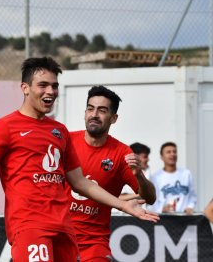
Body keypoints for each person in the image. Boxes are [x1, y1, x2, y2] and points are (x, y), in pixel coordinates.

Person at [0, 57, 159, 262]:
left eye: (54, 86)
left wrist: (124, 205)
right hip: (30, 226)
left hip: (64, 228)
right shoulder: (5, 126)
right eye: (43, 85)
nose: (51, 91)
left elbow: (81, 183)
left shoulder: (59, 131)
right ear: (25, 88)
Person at [66, 85, 157, 262]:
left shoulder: (122, 153)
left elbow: (150, 197)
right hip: (59, 233)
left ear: (113, 118)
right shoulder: (66, 141)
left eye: (102, 110)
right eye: (90, 109)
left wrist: (139, 175)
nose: (94, 114)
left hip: (93, 241)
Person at [150, 141, 197, 214]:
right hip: (164, 219)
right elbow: (152, 200)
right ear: (162, 157)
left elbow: (192, 195)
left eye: (174, 152)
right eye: (168, 152)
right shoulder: (155, 177)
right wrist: (161, 209)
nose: (172, 154)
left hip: (184, 218)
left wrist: (190, 207)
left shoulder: (186, 174)